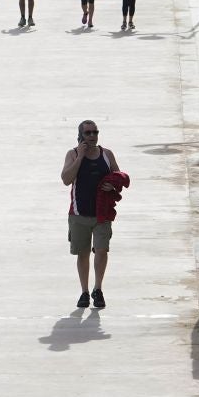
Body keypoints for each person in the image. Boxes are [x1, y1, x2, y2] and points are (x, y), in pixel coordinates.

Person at [61, 120, 123, 309]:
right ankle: (84, 292)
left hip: (102, 214)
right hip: (79, 214)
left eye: (95, 132)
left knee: (102, 250)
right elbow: (66, 179)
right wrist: (80, 158)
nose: (92, 136)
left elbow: (118, 176)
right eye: (88, 133)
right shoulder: (72, 154)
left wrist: (113, 185)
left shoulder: (106, 154)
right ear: (80, 136)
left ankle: (98, 289)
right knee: (83, 254)